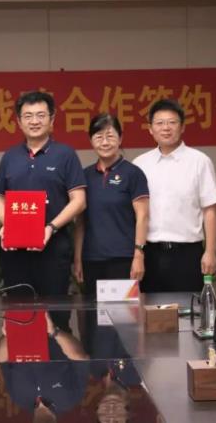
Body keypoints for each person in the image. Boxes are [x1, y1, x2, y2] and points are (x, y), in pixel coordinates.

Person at [0, 91, 86, 297]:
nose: (34, 121)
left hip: (54, 246)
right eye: (28, 116)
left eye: (41, 115)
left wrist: (50, 228)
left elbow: (79, 201)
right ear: (19, 121)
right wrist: (10, 224)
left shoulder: (66, 154)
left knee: (55, 309)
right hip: (15, 251)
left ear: (52, 119)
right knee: (19, 309)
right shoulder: (10, 156)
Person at [132, 99, 216, 292]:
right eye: (160, 123)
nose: (166, 128)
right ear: (150, 129)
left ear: (182, 127)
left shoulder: (199, 161)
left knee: (189, 308)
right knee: (149, 309)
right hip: (150, 254)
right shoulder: (140, 164)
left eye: (172, 122)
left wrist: (211, 251)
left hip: (187, 255)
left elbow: (210, 210)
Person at [73, 113, 149, 296]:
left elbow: (143, 217)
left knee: (123, 313)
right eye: (99, 137)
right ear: (91, 140)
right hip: (91, 259)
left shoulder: (133, 173)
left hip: (123, 259)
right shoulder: (84, 175)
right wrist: (77, 258)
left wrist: (138, 255)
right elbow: (80, 223)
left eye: (110, 136)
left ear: (120, 138)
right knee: (92, 313)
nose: (105, 142)